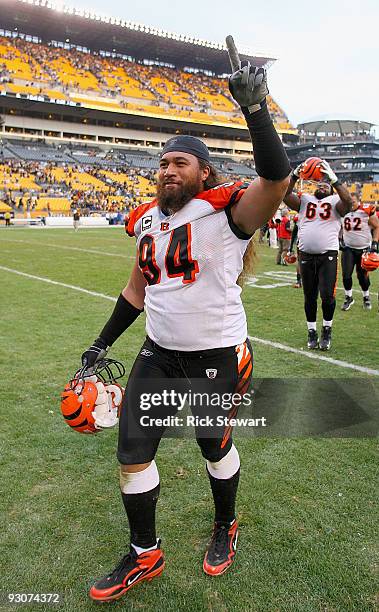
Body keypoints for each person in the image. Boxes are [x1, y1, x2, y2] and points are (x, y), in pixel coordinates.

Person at [80, 61, 291, 602]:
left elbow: (276, 178)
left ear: (203, 171)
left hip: (216, 356)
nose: (168, 169)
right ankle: (144, 553)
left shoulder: (228, 216)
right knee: (132, 452)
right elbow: (136, 291)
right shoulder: (149, 220)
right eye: (162, 162)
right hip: (159, 353)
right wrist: (100, 345)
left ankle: (226, 525)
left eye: (180, 162)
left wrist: (256, 110)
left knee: (212, 444)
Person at [284, 160, 352, 350]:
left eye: (326, 184)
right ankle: (312, 331)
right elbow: (285, 194)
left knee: (327, 296)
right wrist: (294, 176)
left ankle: (327, 329)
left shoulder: (335, 204)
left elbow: (348, 202)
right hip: (305, 255)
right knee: (309, 296)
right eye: (319, 183)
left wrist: (335, 180)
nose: (322, 185)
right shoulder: (305, 200)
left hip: (327, 255)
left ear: (331, 191)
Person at [340, 193, 379, 310]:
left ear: (359, 201)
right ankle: (348, 297)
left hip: (363, 249)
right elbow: (339, 226)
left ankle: (366, 297)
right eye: (349, 201)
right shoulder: (342, 210)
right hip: (348, 248)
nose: (351, 203)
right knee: (346, 275)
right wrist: (339, 238)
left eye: (353, 201)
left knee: (362, 276)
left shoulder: (366, 211)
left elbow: (377, 226)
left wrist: (375, 242)